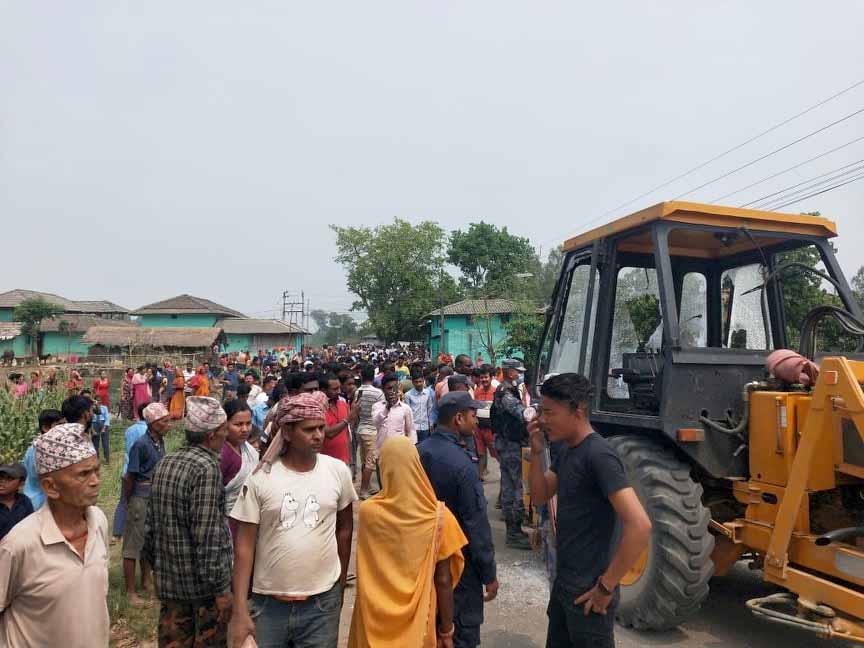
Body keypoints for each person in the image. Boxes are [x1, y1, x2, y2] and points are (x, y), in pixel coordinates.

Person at [528, 373, 652, 648]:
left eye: (550, 412)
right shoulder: (568, 450)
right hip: (565, 586)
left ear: (578, 411)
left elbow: (640, 525)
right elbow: (540, 494)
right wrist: (536, 453)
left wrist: (606, 587)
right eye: (541, 411)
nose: (543, 420)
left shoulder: (600, 455)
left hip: (589, 596)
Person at [229, 392, 357, 648]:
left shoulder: (337, 472)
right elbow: (244, 547)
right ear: (286, 432)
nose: (319, 435)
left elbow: (345, 529)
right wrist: (240, 609)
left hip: (322, 603)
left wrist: (340, 584)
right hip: (268, 605)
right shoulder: (261, 478)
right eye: (309, 429)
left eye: (321, 428)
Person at [348, 436, 467, 648]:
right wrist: (446, 630)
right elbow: (443, 580)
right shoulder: (439, 517)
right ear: (416, 467)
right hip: (418, 626)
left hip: (372, 622)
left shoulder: (369, 513)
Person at [0, 422, 109, 647]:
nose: (95, 481)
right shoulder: (19, 544)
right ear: (50, 487)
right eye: (84, 474)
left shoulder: (98, 521)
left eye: (96, 471)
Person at [142, 396, 233, 648]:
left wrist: (155, 568)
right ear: (212, 434)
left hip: (170, 584)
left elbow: (149, 526)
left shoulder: (166, 462)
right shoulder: (207, 468)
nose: (227, 436)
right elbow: (207, 534)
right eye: (225, 430)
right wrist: (221, 589)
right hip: (202, 590)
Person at [418, 392, 499, 648]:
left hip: (423, 560)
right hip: (458, 563)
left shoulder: (417, 453)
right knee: (460, 633)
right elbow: (475, 523)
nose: (476, 422)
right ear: (458, 418)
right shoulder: (462, 465)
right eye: (473, 417)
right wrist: (489, 572)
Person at [123, 402, 170, 605]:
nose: (168, 424)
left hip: (153, 496)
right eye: (164, 421)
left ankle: (146, 580)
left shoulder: (159, 442)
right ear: (153, 423)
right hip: (140, 496)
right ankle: (131, 591)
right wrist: (128, 501)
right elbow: (130, 476)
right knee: (133, 544)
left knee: (148, 541)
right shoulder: (141, 445)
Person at [490, 359, 533, 549]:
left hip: (506, 443)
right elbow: (519, 411)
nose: (519, 374)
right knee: (516, 487)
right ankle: (514, 532)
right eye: (517, 371)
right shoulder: (506, 391)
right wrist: (535, 413)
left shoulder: (505, 389)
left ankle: (513, 531)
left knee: (508, 486)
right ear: (509, 372)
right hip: (510, 445)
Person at [112, 402, 150, 541]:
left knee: (123, 501)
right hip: (142, 473)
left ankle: (117, 532)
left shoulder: (130, 430)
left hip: (127, 469)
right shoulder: (149, 431)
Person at [220, 399, 257, 538]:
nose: (245, 429)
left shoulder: (248, 449)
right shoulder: (223, 453)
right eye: (238, 424)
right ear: (225, 424)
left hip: (247, 518)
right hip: (227, 523)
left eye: (248, 423)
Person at [23, 408, 63, 510]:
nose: (63, 429)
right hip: (41, 503)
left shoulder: (34, 448)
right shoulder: (42, 451)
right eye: (59, 425)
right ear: (45, 428)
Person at [355, 364, 384, 499]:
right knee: (371, 462)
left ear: (361, 376)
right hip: (372, 430)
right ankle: (364, 490)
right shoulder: (378, 393)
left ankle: (369, 487)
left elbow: (357, 410)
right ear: (373, 376)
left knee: (364, 460)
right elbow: (383, 412)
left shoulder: (358, 391)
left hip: (361, 428)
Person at [372, 373, 417, 454]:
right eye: (389, 388)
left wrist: (411, 450)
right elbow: (376, 422)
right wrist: (387, 407)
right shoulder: (377, 406)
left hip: (400, 453)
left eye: (395, 388)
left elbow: (411, 431)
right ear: (383, 389)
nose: (392, 391)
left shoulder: (405, 408)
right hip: (382, 452)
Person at [321, 373, 353, 464]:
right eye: (335, 389)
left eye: (339, 388)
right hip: (326, 464)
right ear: (323, 390)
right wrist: (348, 419)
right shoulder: (319, 409)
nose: (339, 391)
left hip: (344, 461)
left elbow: (347, 434)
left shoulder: (344, 405)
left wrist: (349, 458)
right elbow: (329, 433)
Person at [472, 366, 497, 481]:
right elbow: (475, 409)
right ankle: (480, 476)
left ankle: (504, 474)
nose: (484, 380)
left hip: (491, 428)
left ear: (491, 378)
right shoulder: (477, 392)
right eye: (482, 378)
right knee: (480, 453)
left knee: (496, 452)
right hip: (479, 428)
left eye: (486, 377)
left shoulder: (496, 392)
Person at [0, 463, 33, 540]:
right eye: (0, 477)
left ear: (21, 483)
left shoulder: (25, 502)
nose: (2, 481)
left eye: (9, 478)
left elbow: (30, 528)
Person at [405, 370, 436, 444]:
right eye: (416, 382)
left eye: (420, 381)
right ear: (412, 382)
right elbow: (407, 413)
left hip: (425, 427)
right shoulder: (408, 395)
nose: (418, 384)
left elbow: (429, 409)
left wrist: (430, 425)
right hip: (413, 428)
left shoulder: (428, 393)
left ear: (423, 381)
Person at [91, 395, 111, 463]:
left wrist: (104, 428)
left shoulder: (104, 408)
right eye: (97, 400)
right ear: (94, 401)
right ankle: (96, 459)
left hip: (103, 424)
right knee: (95, 442)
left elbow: (107, 418)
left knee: (105, 442)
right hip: (94, 424)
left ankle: (107, 459)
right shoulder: (92, 408)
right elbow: (90, 419)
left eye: (99, 400)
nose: (98, 402)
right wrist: (92, 429)